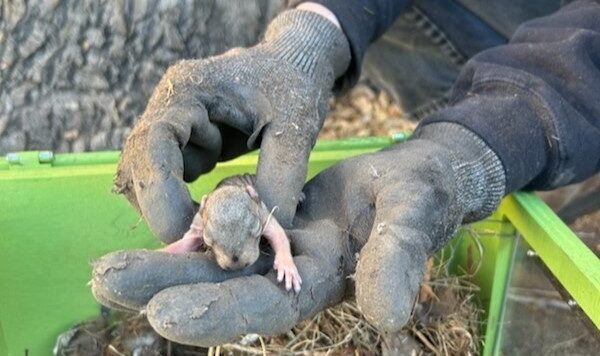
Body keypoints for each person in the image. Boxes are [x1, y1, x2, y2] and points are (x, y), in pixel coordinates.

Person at [91, 0, 600, 346]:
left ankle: (537, 146)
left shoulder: (259, 218)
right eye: (228, 253)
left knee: (549, 164)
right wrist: (316, 27)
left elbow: (273, 238)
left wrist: (497, 135)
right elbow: (192, 239)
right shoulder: (214, 221)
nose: (233, 262)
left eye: (236, 252)